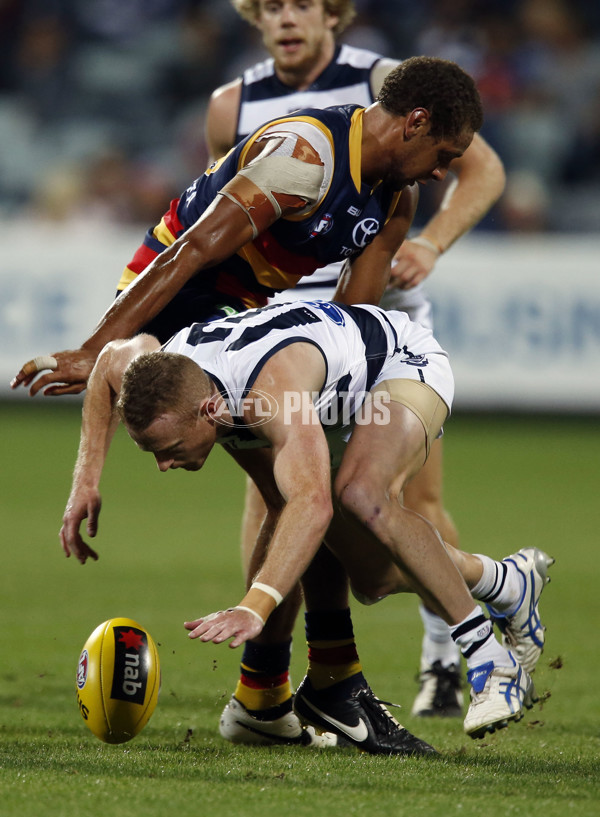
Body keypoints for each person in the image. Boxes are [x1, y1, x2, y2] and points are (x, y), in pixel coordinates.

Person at [12, 55, 485, 746]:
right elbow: (191, 252)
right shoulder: (304, 157)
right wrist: (99, 346)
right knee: (305, 492)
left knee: (307, 487)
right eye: (445, 153)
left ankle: (281, 691)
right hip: (170, 313)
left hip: (238, 323)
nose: (443, 171)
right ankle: (318, 683)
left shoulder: (395, 198)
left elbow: (353, 316)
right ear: (415, 122)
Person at [58, 300, 553, 751]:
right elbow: (106, 365)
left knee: (359, 496)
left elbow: (313, 505)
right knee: (373, 581)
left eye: (167, 450)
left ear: (210, 410)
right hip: (325, 392)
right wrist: (85, 481)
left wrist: (256, 605)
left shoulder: (269, 394)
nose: (164, 466)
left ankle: (491, 659)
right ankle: (504, 581)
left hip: (395, 364)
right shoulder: (161, 369)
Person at [206, 0, 507, 721]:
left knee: (405, 503)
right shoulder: (231, 106)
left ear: (333, 13)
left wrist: (429, 243)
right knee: (276, 496)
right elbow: (223, 210)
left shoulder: (390, 83)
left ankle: (441, 657)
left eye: (302, 3)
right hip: (285, 332)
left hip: (375, 323)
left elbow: (483, 172)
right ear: (253, 15)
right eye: (271, 5)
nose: (286, 18)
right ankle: (271, 681)